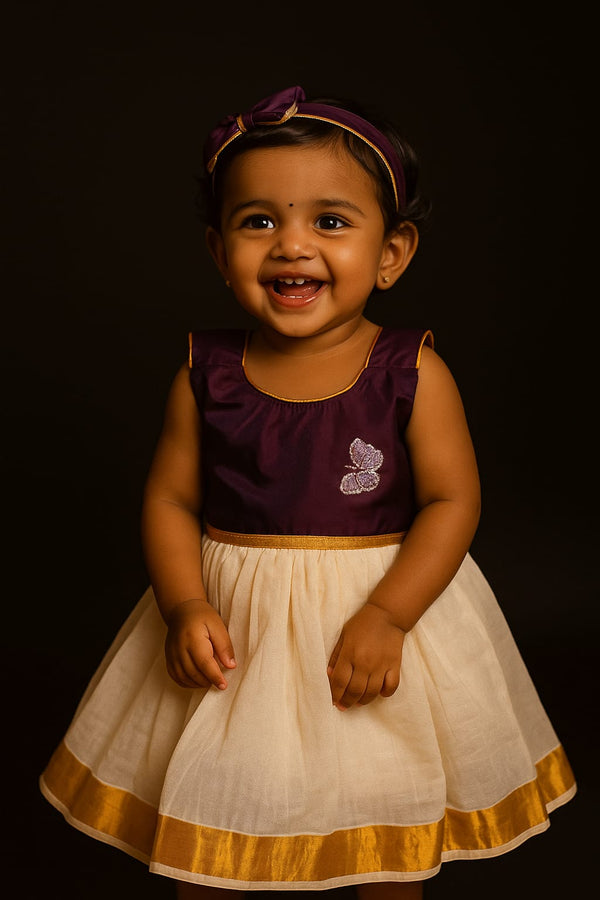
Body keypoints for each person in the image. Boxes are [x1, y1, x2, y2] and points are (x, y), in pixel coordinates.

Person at [40, 85, 576, 899]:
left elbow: (451, 502)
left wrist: (389, 615)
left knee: (382, 814)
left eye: (330, 221)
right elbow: (169, 501)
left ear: (391, 254)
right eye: (260, 222)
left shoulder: (412, 372)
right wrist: (185, 606)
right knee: (218, 810)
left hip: (375, 622)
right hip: (239, 633)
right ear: (220, 253)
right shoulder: (203, 375)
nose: (292, 246)